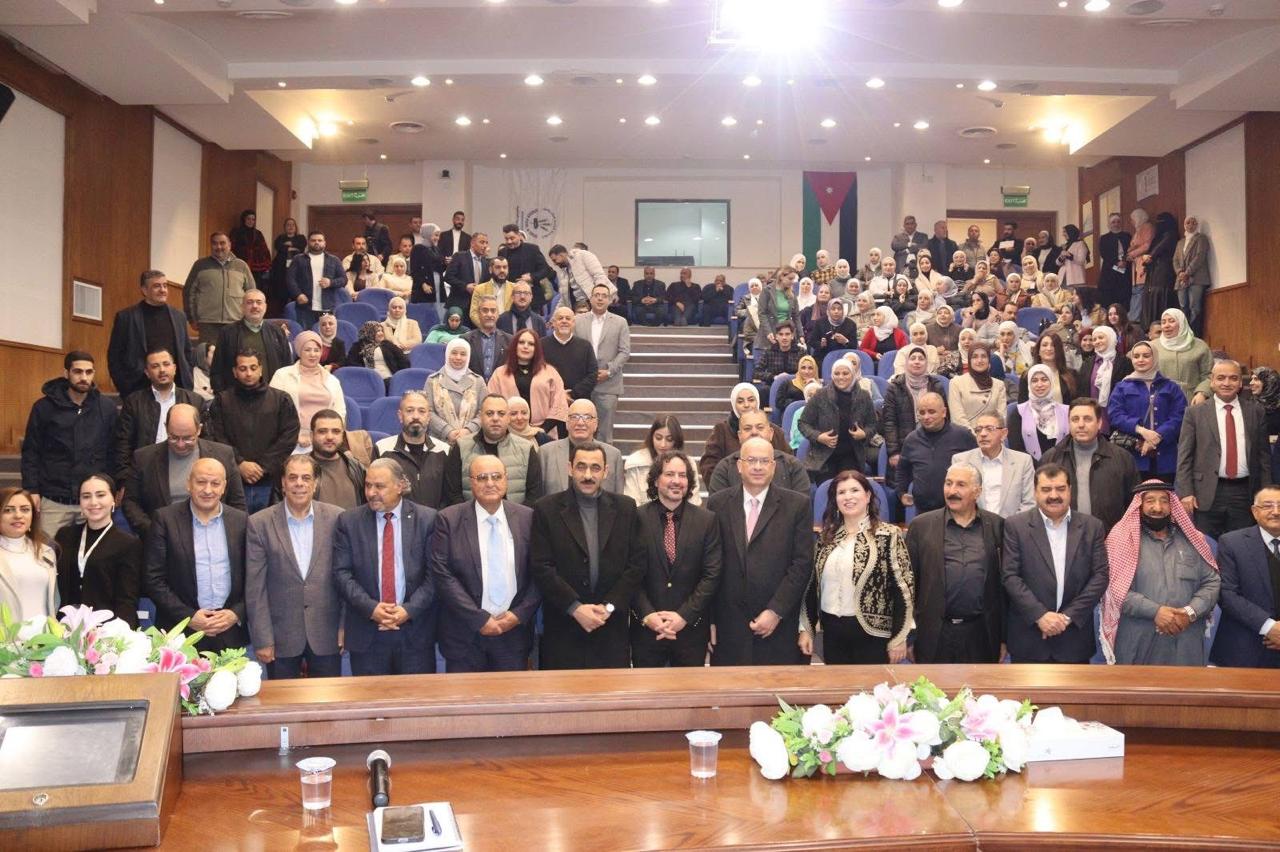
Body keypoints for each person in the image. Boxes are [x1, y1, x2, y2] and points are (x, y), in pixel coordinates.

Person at [530, 441, 646, 669]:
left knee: (611, 691)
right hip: (563, 628)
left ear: (606, 471)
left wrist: (609, 607)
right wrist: (575, 608)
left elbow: (636, 565)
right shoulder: (546, 509)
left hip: (611, 628)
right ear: (569, 468)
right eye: (581, 467)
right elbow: (541, 566)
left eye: (595, 468)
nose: (588, 475)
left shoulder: (626, 508)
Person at [427, 455, 541, 673]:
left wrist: (518, 615)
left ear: (506, 480)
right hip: (464, 636)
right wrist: (479, 619)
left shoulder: (528, 518)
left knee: (511, 696)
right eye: (482, 477)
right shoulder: (449, 519)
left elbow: (539, 572)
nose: (490, 483)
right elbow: (442, 574)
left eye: (496, 477)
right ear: (471, 482)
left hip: (513, 635)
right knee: (464, 696)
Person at [706, 437, 813, 666]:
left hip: (779, 626)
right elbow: (710, 565)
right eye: (751, 460)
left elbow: (802, 565)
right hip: (728, 628)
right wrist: (710, 619)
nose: (757, 467)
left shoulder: (797, 505)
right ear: (739, 465)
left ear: (773, 466)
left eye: (764, 461)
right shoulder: (717, 504)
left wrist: (775, 611)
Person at [331, 458, 438, 675]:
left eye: (379, 486)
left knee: (415, 697)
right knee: (369, 697)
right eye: (368, 485)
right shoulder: (348, 522)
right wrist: (372, 609)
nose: (371, 493)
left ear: (400, 486)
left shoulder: (427, 519)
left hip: (415, 633)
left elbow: (435, 575)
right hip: (367, 631)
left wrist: (408, 610)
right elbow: (341, 573)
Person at [243, 455, 344, 679]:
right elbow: (255, 589)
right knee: (281, 701)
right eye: (293, 477)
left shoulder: (337, 518)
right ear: (283, 482)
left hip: (327, 635)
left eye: (306, 478)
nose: (299, 483)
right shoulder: (259, 523)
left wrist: (344, 627)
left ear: (315, 483)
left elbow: (345, 578)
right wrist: (263, 639)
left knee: (327, 700)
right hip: (280, 638)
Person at [1102, 481, 1220, 666]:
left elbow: (1212, 581)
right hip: (1139, 641)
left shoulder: (1193, 540)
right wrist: (1155, 612)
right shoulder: (1121, 540)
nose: (1158, 507)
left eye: (1164, 501)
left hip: (1186, 642)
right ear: (1139, 506)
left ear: (1172, 505)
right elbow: (1114, 589)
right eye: (1150, 501)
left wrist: (1189, 612)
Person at [800, 471, 913, 664]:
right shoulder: (826, 538)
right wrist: (807, 629)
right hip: (833, 633)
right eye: (841, 492)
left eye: (854, 490)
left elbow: (903, 588)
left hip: (874, 636)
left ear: (867, 496)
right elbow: (812, 587)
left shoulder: (888, 535)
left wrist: (899, 637)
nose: (848, 497)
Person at [1001, 464, 1110, 663]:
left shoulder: (1092, 527)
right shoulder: (1015, 526)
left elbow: (1100, 577)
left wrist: (1066, 618)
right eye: (1046, 489)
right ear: (1035, 492)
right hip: (1029, 638)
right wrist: (1040, 615)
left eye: (1060, 489)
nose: (1054, 495)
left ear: (1070, 490)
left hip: (1074, 638)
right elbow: (1010, 576)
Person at [144, 458, 249, 652]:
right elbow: (153, 579)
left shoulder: (241, 521)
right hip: (180, 633)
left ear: (224, 487)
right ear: (188, 484)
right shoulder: (165, 520)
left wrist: (236, 614)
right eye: (201, 482)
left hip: (230, 631)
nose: (208, 490)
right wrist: (189, 617)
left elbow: (253, 576)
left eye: (215, 483)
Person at [907, 463, 1005, 663]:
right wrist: (909, 636)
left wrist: (1003, 638)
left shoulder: (997, 526)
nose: (952, 491)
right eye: (948, 483)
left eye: (961, 485)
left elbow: (1003, 588)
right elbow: (907, 585)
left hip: (982, 634)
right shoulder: (921, 526)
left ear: (977, 491)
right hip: (934, 634)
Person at [630, 451, 721, 668]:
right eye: (670, 474)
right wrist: (648, 615)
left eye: (682, 475)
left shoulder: (707, 520)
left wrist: (684, 616)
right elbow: (629, 574)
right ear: (656, 479)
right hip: (647, 631)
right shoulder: (636, 518)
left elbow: (712, 575)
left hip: (691, 631)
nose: (677, 481)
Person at [21, 352, 118, 537]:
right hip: (54, 500)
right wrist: (31, 489)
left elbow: (113, 451)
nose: (84, 377)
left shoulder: (106, 408)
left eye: (89, 372)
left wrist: (112, 488)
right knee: (48, 551)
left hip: (92, 501)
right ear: (66, 373)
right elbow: (31, 451)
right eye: (78, 372)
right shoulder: (44, 408)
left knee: (92, 552)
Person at [1176, 360, 1272, 539]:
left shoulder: (1255, 411)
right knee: (1206, 546)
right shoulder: (1195, 413)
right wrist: (1186, 492)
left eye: (1233, 378)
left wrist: (1267, 493)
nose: (1227, 383)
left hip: (1245, 492)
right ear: (1212, 382)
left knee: (1242, 546)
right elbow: (1185, 456)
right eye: (1221, 378)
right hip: (1206, 493)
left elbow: (1263, 457)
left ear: (1240, 383)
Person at [122, 403, 245, 536]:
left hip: (213, 533)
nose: (180, 445)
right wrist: (154, 531)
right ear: (166, 428)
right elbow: (130, 502)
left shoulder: (223, 455)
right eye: (174, 437)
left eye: (188, 439)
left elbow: (237, 503)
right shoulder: (144, 458)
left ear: (199, 429)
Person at [206, 350, 300, 514]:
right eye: (243, 369)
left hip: (270, 479)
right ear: (235, 372)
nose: (248, 373)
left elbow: (289, 436)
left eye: (253, 368)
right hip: (232, 478)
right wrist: (239, 463)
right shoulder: (222, 401)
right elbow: (216, 436)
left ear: (261, 369)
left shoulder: (281, 399)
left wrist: (263, 467)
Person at [54, 474, 141, 626]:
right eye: (86, 496)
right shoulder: (65, 536)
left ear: (114, 499)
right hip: (67, 626)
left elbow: (127, 599)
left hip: (108, 628)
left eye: (100, 495)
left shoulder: (128, 544)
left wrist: (120, 633)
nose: (93, 502)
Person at [1209, 486, 1280, 668]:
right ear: (1255, 512)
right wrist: (1269, 627)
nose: (1276, 512)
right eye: (1268, 506)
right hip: (1245, 649)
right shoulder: (1232, 543)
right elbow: (1227, 594)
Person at [113, 347, 205, 475]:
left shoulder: (195, 401)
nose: (162, 370)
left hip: (186, 469)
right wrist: (125, 478)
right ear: (147, 372)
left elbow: (206, 441)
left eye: (166, 364)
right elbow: (123, 444)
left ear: (174, 368)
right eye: (155, 366)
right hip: (145, 471)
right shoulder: (134, 402)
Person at [443, 393, 542, 507]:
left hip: (516, 517)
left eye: (501, 413)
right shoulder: (461, 447)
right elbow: (453, 493)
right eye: (489, 413)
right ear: (480, 417)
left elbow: (534, 495)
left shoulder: (526, 448)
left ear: (508, 418)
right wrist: (469, 515)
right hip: (470, 517)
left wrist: (516, 516)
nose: (495, 418)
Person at [1108, 340, 1187, 482]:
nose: (1140, 360)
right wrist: (1141, 430)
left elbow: (1179, 415)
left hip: (1166, 455)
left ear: (1155, 357)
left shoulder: (1171, 387)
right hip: (1134, 454)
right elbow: (1115, 415)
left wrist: (1158, 436)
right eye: (1136, 356)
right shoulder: (1122, 386)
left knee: (1164, 493)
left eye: (1146, 356)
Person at [108, 270, 196, 396]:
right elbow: (115, 356)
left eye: (165, 286)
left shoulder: (179, 316)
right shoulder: (126, 317)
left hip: (176, 388)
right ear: (144, 290)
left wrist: (188, 377)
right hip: (137, 388)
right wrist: (123, 385)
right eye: (157, 286)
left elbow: (187, 352)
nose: (163, 290)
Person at [897, 392, 978, 514]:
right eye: (922, 413)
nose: (926, 417)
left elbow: (978, 468)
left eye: (931, 412)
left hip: (958, 508)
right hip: (923, 511)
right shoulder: (911, 440)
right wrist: (901, 492)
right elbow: (902, 470)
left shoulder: (963, 436)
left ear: (944, 412)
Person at [798, 361, 876, 483]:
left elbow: (873, 425)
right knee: (828, 489)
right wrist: (818, 436)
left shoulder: (864, 396)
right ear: (832, 375)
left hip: (852, 455)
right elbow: (803, 423)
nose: (841, 377)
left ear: (853, 374)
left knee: (848, 486)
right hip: (823, 457)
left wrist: (864, 434)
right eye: (837, 373)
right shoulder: (820, 395)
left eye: (845, 373)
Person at [699, 383, 790, 486]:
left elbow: (788, 464)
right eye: (740, 401)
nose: (746, 405)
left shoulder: (774, 431)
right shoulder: (721, 431)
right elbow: (709, 467)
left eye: (751, 400)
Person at [268, 331, 345, 450]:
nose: (312, 354)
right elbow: (272, 409)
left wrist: (328, 435)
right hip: (289, 439)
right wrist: (294, 435)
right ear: (299, 351)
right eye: (307, 350)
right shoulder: (282, 375)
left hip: (325, 440)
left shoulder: (332, 380)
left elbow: (340, 412)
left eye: (316, 350)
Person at [374, 391, 450, 510]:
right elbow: (375, 493)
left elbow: (450, 497)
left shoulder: (444, 450)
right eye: (410, 410)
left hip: (435, 520)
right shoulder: (382, 449)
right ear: (400, 416)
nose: (416, 416)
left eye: (421, 411)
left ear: (428, 417)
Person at [487, 328, 569, 439]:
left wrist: (543, 430)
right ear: (515, 346)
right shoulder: (499, 373)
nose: (526, 346)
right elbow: (492, 404)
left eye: (531, 344)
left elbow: (559, 404)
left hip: (544, 434)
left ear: (537, 348)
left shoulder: (550, 372)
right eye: (521, 342)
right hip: (508, 434)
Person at [574, 283, 630, 443]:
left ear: (610, 300)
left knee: (604, 433)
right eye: (596, 295)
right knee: (580, 430)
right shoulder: (577, 321)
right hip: (582, 383)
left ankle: (605, 459)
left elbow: (624, 351)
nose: (600, 298)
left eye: (604, 296)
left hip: (608, 385)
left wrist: (609, 371)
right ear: (590, 298)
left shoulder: (620, 322)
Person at [209, 290, 294, 393]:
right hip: (237, 397)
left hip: (272, 395)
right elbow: (217, 370)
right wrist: (223, 397)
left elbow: (287, 367)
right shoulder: (227, 333)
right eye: (249, 302)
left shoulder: (277, 332)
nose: (254, 306)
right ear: (242, 307)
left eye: (259, 302)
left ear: (265, 307)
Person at [710, 409, 811, 496]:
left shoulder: (793, 467)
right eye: (747, 428)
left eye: (760, 427)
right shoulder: (724, 469)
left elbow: (800, 507)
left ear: (771, 433)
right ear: (740, 436)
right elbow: (719, 507)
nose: (754, 432)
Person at [952, 413, 1036, 516]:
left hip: (1012, 524)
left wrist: (1012, 524)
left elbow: (1029, 503)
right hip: (974, 524)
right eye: (978, 430)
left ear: (1004, 434)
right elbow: (957, 500)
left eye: (989, 429)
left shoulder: (1023, 461)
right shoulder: (961, 461)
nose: (983, 434)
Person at [882, 347, 946, 474]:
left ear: (926, 363)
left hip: (932, 444)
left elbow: (945, 418)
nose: (917, 362)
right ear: (906, 362)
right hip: (903, 447)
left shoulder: (936, 385)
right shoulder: (895, 387)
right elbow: (889, 422)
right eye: (913, 358)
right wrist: (894, 452)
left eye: (921, 359)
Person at [184, 232, 253, 345]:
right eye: (215, 243)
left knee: (235, 354)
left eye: (222, 243)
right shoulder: (200, 265)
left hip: (235, 322)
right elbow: (188, 292)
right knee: (208, 355)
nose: (219, 247)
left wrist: (249, 318)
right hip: (207, 324)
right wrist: (192, 318)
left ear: (229, 245)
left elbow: (251, 294)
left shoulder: (242, 266)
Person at [0, 488, 58, 621]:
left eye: (25, 509)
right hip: (7, 634)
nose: (18, 515)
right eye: (8, 510)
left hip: (45, 633)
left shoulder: (47, 553)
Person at [624, 416, 702, 507]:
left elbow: (693, 502)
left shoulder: (688, 464)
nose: (663, 444)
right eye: (658, 438)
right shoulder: (636, 462)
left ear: (677, 440)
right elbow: (632, 503)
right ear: (651, 438)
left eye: (669, 439)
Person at [426, 338, 486, 444]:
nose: (458, 357)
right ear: (447, 354)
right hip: (439, 440)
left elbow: (485, 412)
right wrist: (447, 431)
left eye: (463, 354)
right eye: (454, 353)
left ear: (468, 357)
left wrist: (469, 430)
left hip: (472, 441)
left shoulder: (478, 381)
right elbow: (427, 411)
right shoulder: (433, 380)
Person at [1007, 365, 1069, 461]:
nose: (1039, 384)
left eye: (1044, 380)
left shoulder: (1066, 411)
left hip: (1062, 466)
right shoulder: (1019, 413)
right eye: (1034, 381)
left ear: (1051, 382)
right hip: (1030, 467)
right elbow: (1016, 449)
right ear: (1029, 384)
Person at [285, 231, 347, 329]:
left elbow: (344, 279)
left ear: (324, 243)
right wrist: (298, 294)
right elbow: (290, 279)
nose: (317, 242)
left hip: (327, 306)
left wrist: (330, 282)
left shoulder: (334, 260)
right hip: (305, 307)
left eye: (319, 240)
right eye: (313, 240)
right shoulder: (298, 259)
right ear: (308, 242)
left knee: (326, 335)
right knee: (307, 334)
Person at [308, 409, 366, 510]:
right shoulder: (298, 469)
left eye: (336, 431)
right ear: (311, 435)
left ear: (342, 436)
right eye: (322, 431)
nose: (330, 437)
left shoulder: (356, 468)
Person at [1152, 308, 1213, 401]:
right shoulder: (1152, 346)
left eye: (1171, 321)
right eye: (1163, 322)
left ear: (1181, 323)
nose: (1166, 325)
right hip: (1160, 398)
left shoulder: (1200, 345)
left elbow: (1209, 374)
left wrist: (1202, 393)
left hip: (1191, 399)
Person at [947, 343, 1007, 433]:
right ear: (969, 360)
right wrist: (976, 437)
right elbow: (957, 418)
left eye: (984, 356)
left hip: (992, 435)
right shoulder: (956, 383)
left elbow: (1001, 418)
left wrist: (988, 435)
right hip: (965, 436)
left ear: (989, 360)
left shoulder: (999, 385)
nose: (979, 360)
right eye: (975, 357)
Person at [544, 305, 597, 405]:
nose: (564, 321)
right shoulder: (541, 345)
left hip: (579, 402)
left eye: (568, 318)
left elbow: (592, 374)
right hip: (549, 400)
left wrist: (572, 394)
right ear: (553, 323)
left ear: (573, 323)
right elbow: (538, 373)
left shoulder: (585, 346)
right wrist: (557, 394)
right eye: (560, 318)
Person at [1172, 216, 1212, 336]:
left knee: (1195, 307)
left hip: (1197, 278)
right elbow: (1175, 260)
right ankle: (1185, 334)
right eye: (1188, 223)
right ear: (1184, 225)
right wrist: (1180, 272)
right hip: (1181, 279)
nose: (1191, 225)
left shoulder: (1201, 238)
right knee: (1183, 306)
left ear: (1197, 225)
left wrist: (1187, 272)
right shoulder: (1180, 242)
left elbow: (1200, 256)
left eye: (1194, 223)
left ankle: (1195, 335)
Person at [1140, 211, 1179, 325]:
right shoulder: (1157, 237)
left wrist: (1150, 256)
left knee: (1161, 295)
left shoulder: (1171, 234)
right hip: (1154, 271)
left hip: (1165, 270)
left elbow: (1160, 248)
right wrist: (1147, 261)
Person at [461, 295, 511, 382]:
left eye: (493, 310)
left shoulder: (509, 340)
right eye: (485, 310)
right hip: (472, 387)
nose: (489, 314)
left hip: (500, 387)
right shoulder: (466, 340)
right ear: (478, 314)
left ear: (498, 314)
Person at [347, 320, 410, 385]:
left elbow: (403, 361)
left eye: (382, 331)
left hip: (388, 378)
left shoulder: (387, 345)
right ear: (370, 332)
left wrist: (399, 377)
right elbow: (351, 363)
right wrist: (367, 373)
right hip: (367, 379)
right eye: (378, 331)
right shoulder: (358, 346)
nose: (381, 333)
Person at [1018, 333, 1075, 404]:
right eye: (1044, 345)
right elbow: (1022, 405)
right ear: (1038, 350)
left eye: (1053, 345)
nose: (1049, 348)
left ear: (1059, 349)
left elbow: (1077, 404)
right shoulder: (1027, 375)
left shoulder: (1072, 374)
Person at [443, 231, 491, 315]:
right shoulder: (459, 256)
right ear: (472, 243)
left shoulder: (485, 262)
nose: (485, 246)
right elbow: (448, 277)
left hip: (476, 307)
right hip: (458, 305)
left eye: (486, 243)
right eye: (482, 242)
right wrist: (465, 286)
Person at [752, 321, 803, 399]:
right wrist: (773, 377)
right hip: (773, 385)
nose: (784, 337)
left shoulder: (801, 352)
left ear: (792, 336)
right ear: (776, 336)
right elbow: (756, 372)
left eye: (787, 334)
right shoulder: (769, 352)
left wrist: (790, 377)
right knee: (763, 391)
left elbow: (807, 371)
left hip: (795, 385)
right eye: (781, 334)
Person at [754, 268, 799, 354]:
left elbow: (796, 316)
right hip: (769, 334)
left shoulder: (792, 293)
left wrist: (801, 335)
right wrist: (768, 332)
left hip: (785, 335)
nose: (792, 282)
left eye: (793, 279)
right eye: (790, 279)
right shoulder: (767, 291)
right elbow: (762, 313)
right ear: (782, 277)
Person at [269, 218, 307, 317]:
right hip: (281, 271)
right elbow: (278, 247)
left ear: (296, 227)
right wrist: (293, 247)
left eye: (292, 225)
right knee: (281, 297)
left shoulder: (301, 237)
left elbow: (302, 245)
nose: (290, 227)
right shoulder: (280, 238)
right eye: (288, 225)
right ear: (285, 227)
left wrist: (289, 245)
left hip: (297, 271)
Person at [1097, 213, 1133, 311]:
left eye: (1118, 222)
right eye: (1113, 222)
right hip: (1109, 270)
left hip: (1125, 270)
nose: (1116, 224)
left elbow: (1131, 250)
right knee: (1108, 295)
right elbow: (1104, 253)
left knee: (1124, 294)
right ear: (1109, 224)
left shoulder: (1127, 236)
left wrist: (1124, 261)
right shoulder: (1104, 238)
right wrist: (1117, 262)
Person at [1125, 208, 1156, 324]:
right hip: (1136, 265)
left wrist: (1132, 254)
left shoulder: (1147, 227)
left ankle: (1135, 319)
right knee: (1136, 292)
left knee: (1139, 292)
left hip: (1142, 264)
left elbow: (1147, 245)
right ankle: (1132, 317)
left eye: (1133, 219)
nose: (1132, 222)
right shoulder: (1138, 230)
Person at [469, 257, 515, 328]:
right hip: (487, 328)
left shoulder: (515, 288)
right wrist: (487, 328)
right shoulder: (480, 289)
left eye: (505, 267)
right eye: (498, 267)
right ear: (490, 270)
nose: (502, 270)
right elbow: (473, 313)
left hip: (509, 329)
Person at [409, 222, 447, 305]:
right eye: (435, 235)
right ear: (428, 234)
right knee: (426, 309)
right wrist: (423, 284)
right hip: (424, 286)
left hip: (438, 283)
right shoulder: (417, 248)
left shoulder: (436, 249)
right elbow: (414, 270)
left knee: (439, 308)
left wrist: (446, 263)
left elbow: (439, 269)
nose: (438, 238)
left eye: (438, 236)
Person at [735, 278, 763, 356]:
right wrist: (750, 312)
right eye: (752, 286)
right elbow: (737, 311)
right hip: (749, 324)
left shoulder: (766, 298)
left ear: (760, 287)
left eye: (756, 285)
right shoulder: (745, 298)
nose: (754, 287)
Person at [1055, 225, 1089, 289]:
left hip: (1076, 278)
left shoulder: (1080, 244)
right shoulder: (1065, 245)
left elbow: (1081, 260)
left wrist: (1069, 255)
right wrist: (1061, 257)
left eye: (1065, 232)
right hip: (1063, 278)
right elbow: (1057, 263)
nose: (1063, 234)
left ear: (1071, 232)